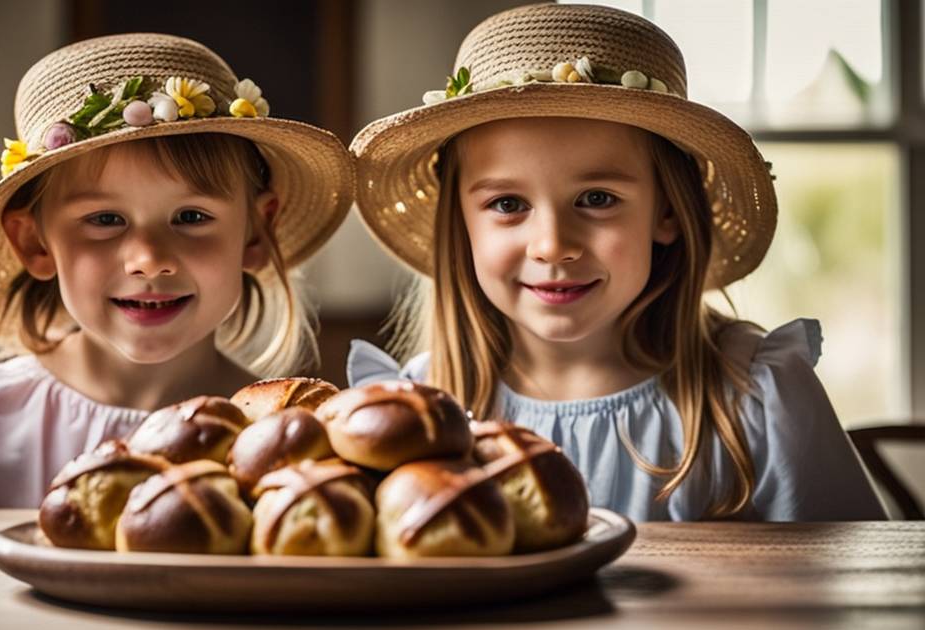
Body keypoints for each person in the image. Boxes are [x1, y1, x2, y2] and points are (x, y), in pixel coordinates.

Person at [347, 4, 885, 521]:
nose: (553, 245)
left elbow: (850, 589)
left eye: (598, 198)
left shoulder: (755, 399)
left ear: (668, 213)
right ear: (461, 225)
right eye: (508, 205)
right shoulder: (419, 413)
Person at [0, 33, 354, 509]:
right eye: (105, 220)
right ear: (34, 242)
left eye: (191, 217)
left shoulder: (282, 439)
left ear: (257, 232)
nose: (149, 259)